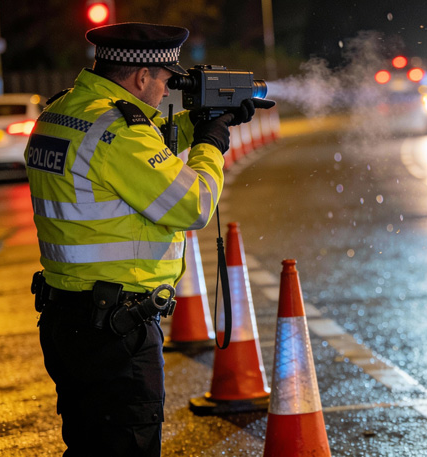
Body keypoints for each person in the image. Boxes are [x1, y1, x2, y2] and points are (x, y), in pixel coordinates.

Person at [25, 22, 262, 456]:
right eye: (167, 80)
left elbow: (133, 151)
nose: (168, 89)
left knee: (88, 444)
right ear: (140, 77)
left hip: (67, 318)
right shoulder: (120, 131)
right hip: (114, 331)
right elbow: (193, 203)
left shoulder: (66, 112)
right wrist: (210, 143)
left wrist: (199, 121)